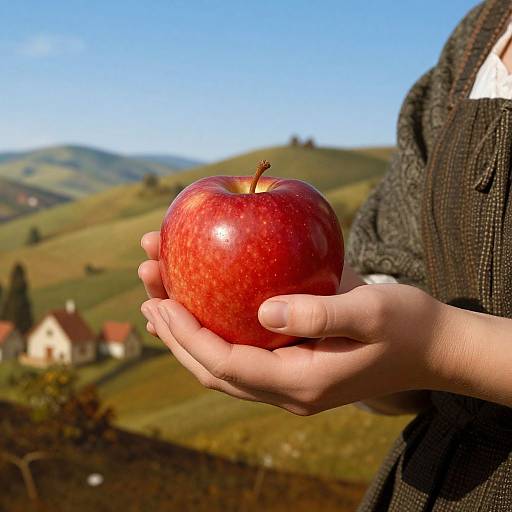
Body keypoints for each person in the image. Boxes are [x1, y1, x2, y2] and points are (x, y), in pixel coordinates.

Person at [139, 1, 512, 509]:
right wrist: (356, 348)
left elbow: (432, 345)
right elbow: (408, 329)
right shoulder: (477, 40)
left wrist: (442, 346)